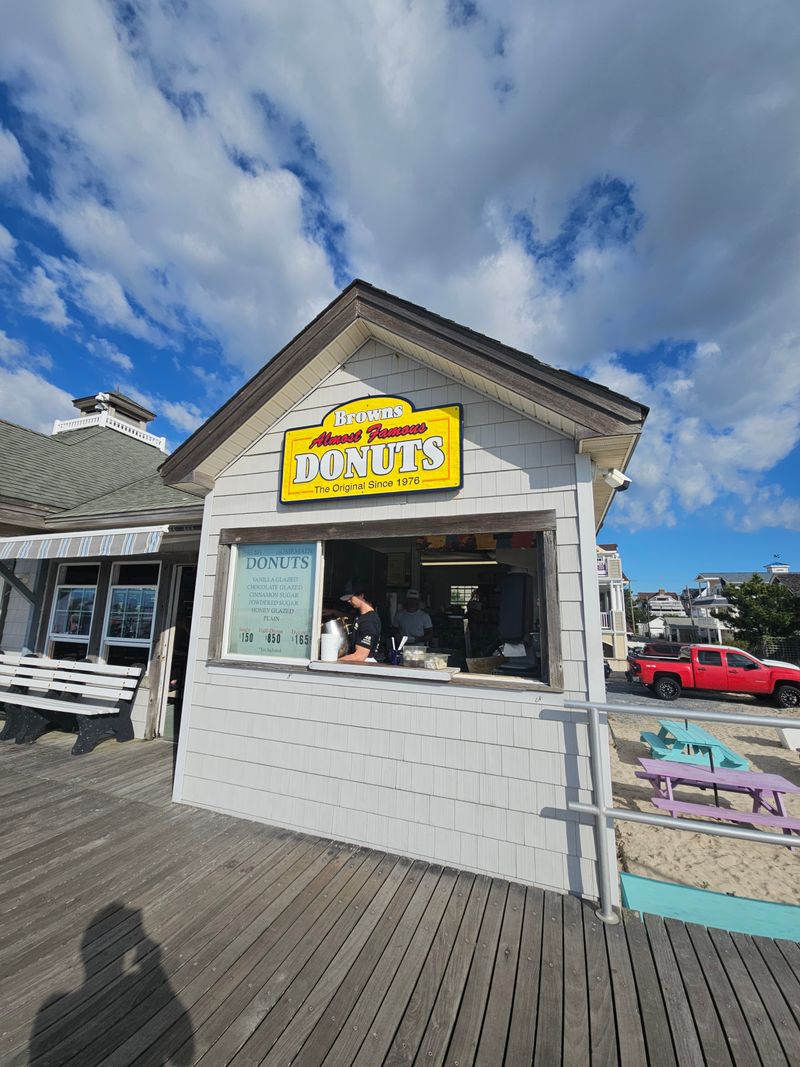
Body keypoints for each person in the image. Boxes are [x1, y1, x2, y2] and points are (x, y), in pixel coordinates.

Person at [338, 589, 382, 662]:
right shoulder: (361, 615)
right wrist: (332, 612)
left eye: (350, 598)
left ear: (361, 596)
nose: (348, 601)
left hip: (364, 665)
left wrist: (335, 662)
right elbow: (349, 617)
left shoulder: (369, 621)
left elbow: (360, 656)